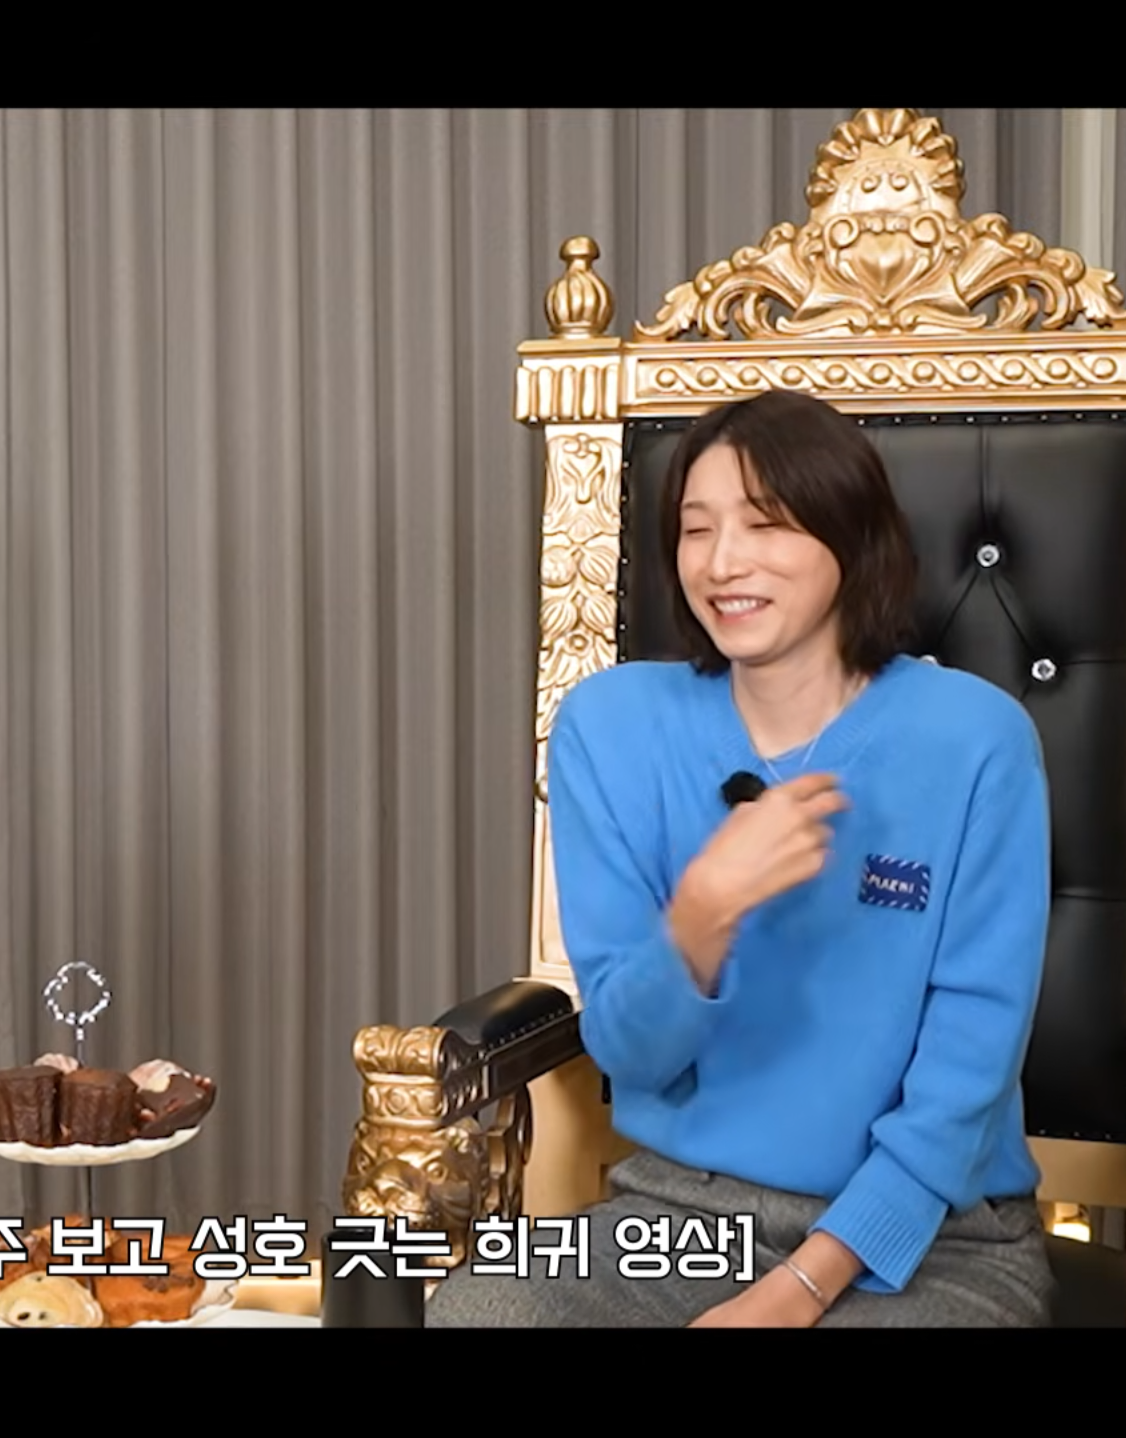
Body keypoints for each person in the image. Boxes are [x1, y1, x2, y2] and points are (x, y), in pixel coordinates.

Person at [427, 388, 1055, 1328]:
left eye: (765, 524)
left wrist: (796, 1292)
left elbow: (969, 1070)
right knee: (482, 1314)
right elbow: (629, 1054)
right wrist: (701, 916)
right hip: (681, 1212)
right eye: (696, 529)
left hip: (933, 1231)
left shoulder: (975, 740)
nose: (722, 563)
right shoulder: (611, 726)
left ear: (851, 536)